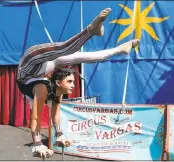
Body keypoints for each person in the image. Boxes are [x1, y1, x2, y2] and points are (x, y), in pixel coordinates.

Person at [17, 7, 139, 158]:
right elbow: (35, 117)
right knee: (63, 50)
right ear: (59, 82)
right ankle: (90, 30)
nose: (73, 86)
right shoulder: (42, 88)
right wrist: (37, 144)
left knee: (86, 57)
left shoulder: (57, 91)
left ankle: (120, 48)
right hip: (27, 67)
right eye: (69, 82)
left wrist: (59, 134)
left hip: (42, 67)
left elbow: (55, 115)